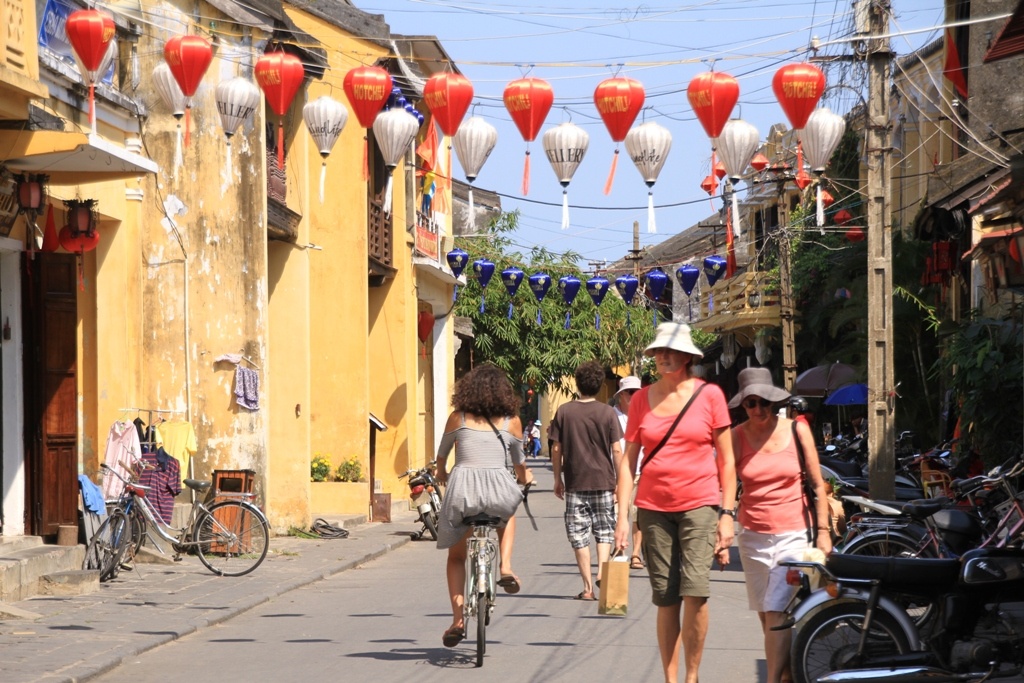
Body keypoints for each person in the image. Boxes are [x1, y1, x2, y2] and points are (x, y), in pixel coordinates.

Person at [613, 321, 737, 683]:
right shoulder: (640, 399)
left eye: (670, 351)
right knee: (666, 597)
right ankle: (671, 678)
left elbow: (727, 461)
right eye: (658, 352)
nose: (663, 357)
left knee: (695, 592)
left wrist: (727, 514)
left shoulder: (709, 396)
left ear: (686, 357)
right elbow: (628, 463)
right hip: (653, 508)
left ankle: (691, 675)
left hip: (700, 504)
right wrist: (622, 518)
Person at [730, 367, 832, 683]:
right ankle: (786, 673)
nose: (759, 409)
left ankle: (772, 679)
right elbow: (724, 482)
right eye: (752, 403)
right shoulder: (736, 437)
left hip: (793, 534)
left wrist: (824, 532)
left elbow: (817, 484)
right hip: (752, 536)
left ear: (774, 401)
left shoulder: (797, 430)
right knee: (766, 613)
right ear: (743, 404)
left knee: (776, 609)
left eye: (765, 402)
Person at [434, 363, 534, 648]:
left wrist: (441, 474)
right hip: (497, 490)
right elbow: (519, 464)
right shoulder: (511, 421)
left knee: (456, 557)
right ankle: (506, 567)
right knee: (509, 512)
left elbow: (441, 457)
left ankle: (458, 620)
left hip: (463, 491)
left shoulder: (458, 418)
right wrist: (526, 477)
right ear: (504, 393)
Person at [550, 360, 624, 600]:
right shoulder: (608, 413)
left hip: (575, 483)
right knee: (604, 531)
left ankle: (588, 588)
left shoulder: (564, 411)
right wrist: (620, 482)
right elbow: (616, 450)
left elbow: (556, 448)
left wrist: (557, 478)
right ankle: (602, 571)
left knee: (578, 534)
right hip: (604, 482)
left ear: (577, 383)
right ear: (600, 384)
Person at [612, 375, 646, 570]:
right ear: (621, 395)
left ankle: (636, 554)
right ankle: (620, 551)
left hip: (641, 470)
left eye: (637, 392)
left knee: (638, 515)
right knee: (619, 514)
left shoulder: (645, 414)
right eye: (630, 392)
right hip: (618, 472)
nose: (634, 396)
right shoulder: (612, 415)